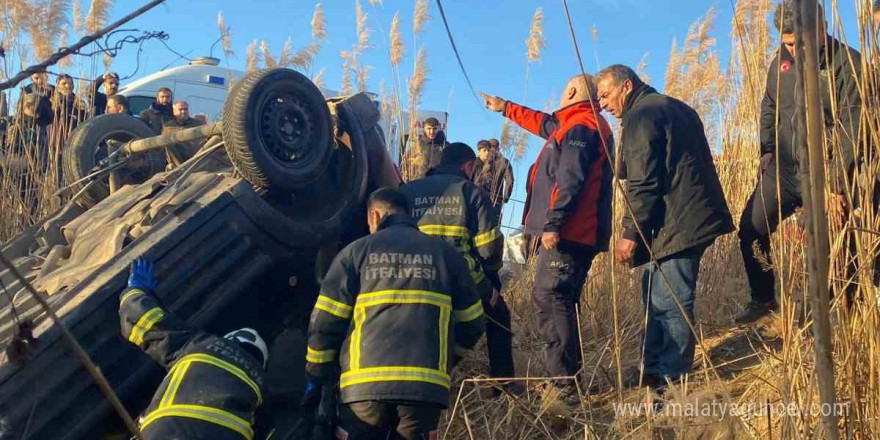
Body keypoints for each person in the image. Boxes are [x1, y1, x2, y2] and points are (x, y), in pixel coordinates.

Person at [304, 188, 485, 439]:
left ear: (375, 216)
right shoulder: (446, 255)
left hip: (363, 389)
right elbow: (473, 323)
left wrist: (317, 376)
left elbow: (324, 323)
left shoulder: (354, 253)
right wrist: (446, 360)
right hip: (425, 391)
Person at [595, 64, 734, 387]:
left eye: (605, 95)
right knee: (653, 296)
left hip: (678, 223)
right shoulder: (675, 107)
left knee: (671, 302)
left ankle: (672, 380)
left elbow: (644, 181)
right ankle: (652, 370)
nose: (602, 104)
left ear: (626, 86)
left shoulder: (641, 116)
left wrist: (630, 233)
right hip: (683, 218)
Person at [480, 73, 614, 400]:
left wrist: (554, 223)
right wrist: (505, 108)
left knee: (551, 298)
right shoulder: (572, 124)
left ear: (570, 91)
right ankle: (565, 379)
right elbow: (543, 124)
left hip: (569, 234)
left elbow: (572, 179)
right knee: (557, 300)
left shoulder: (583, 125)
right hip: (572, 232)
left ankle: (564, 384)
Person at [735, 0, 861, 323]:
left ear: (820, 31)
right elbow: (768, 107)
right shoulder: (781, 63)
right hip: (785, 170)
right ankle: (763, 297)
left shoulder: (848, 65)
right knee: (751, 227)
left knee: (832, 238)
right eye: (786, 43)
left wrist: (835, 186)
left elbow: (852, 130)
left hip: (827, 173)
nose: (790, 49)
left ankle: (841, 310)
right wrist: (766, 150)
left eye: (796, 42)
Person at [400, 142, 519, 396]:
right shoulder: (471, 192)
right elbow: (488, 249)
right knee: (499, 316)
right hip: (460, 277)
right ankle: (504, 384)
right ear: (467, 165)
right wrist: (490, 280)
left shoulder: (407, 190)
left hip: (408, 276)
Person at [119, 258, 267, 440]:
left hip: (164, 431)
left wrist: (135, 290)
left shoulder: (201, 345)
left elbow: (144, 322)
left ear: (230, 339)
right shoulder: (261, 388)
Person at [472, 139, 515, 221]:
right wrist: (505, 198)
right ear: (498, 148)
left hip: (479, 199)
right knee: (493, 227)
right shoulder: (504, 162)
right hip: (496, 200)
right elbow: (510, 181)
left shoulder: (481, 160)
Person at [161, 100, 206, 167]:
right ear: (174, 112)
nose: (183, 112)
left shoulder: (198, 124)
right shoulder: (168, 127)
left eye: (185, 109)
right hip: (177, 163)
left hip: (197, 161)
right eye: (180, 109)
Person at [402, 117, 447, 181]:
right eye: (429, 128)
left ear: (439, 129)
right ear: (424, 129)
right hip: (418, 182)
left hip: (438, 183)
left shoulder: (445, 146)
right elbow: (405, 165)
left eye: (434, 129)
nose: (431, 131)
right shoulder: (417, 146)